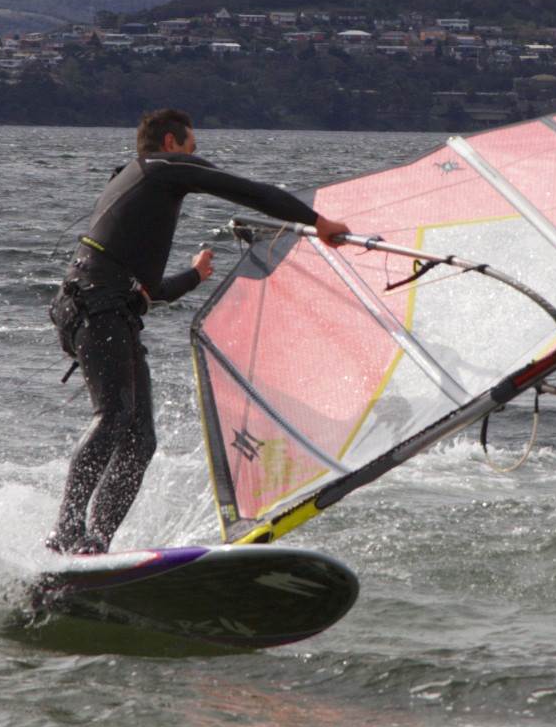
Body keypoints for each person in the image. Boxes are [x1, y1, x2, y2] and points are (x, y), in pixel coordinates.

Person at [45, 108, 349, 555]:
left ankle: (94, 546)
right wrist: (318, 222)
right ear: (172, 144)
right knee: (113, 416)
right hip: (94, 308)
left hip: (107, 310)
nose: (196, 156)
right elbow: (247, 191)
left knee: (139, 440)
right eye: (192, 147)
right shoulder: (161, 168)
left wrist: (194, 277)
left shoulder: (139, 182)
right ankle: (66, 531)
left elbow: (150, 293)